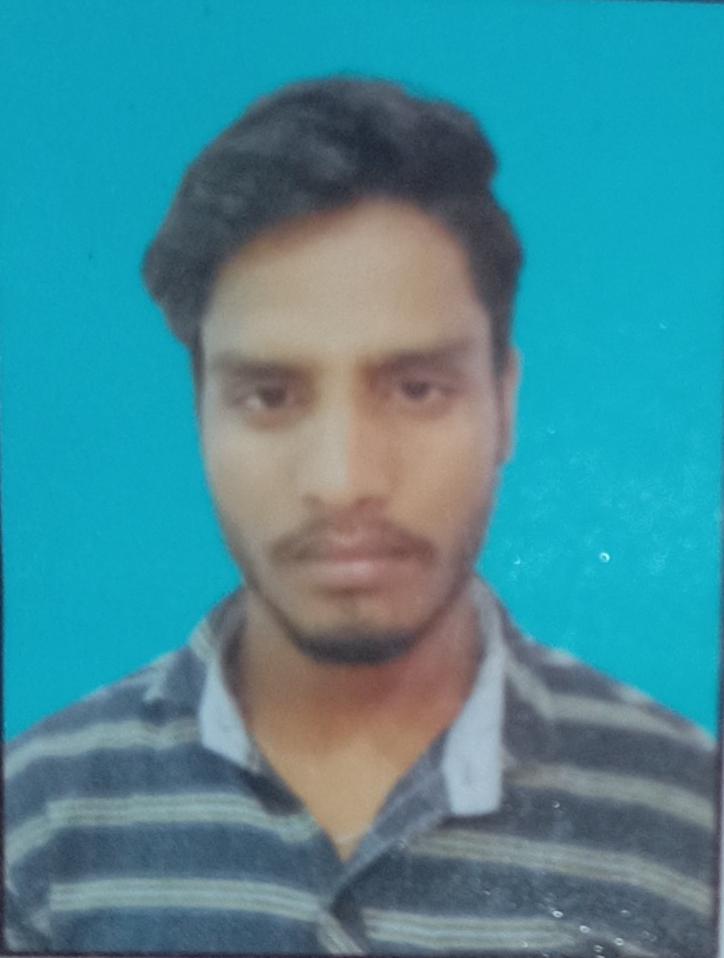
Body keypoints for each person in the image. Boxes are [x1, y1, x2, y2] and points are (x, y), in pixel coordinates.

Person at [4, 76, 716, 958]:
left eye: (417, 389)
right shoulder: (33, 828)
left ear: (506, 402)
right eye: (269, 395)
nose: (343, 482)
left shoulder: (695, 818)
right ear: (200, 414)